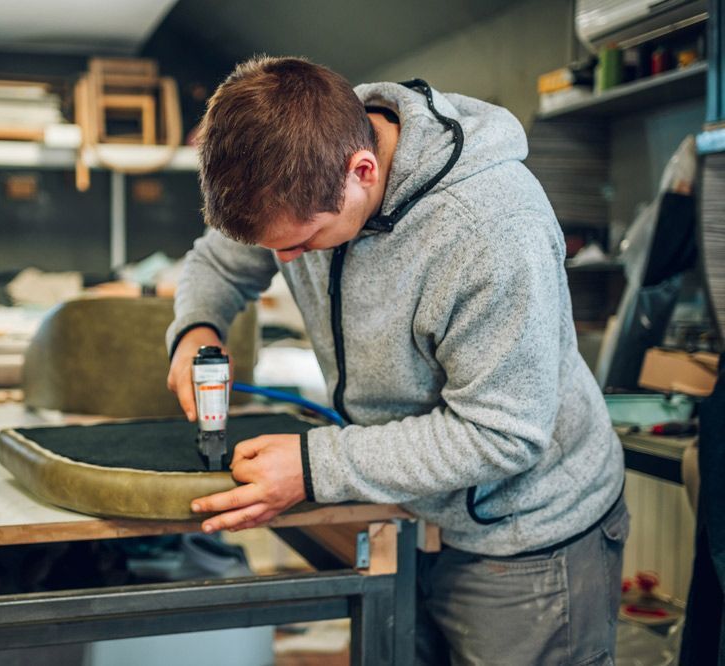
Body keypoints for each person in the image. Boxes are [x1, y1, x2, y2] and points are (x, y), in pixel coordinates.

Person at [165, 56, 628, 664]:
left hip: (526, 539)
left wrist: (312, 464)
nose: (286, 262)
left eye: (302, 244)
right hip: (405, 509)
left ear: (362, 170)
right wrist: (196, 328)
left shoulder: (490, 230)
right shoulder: (303, 158)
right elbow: (220, 262)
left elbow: (502, 433)